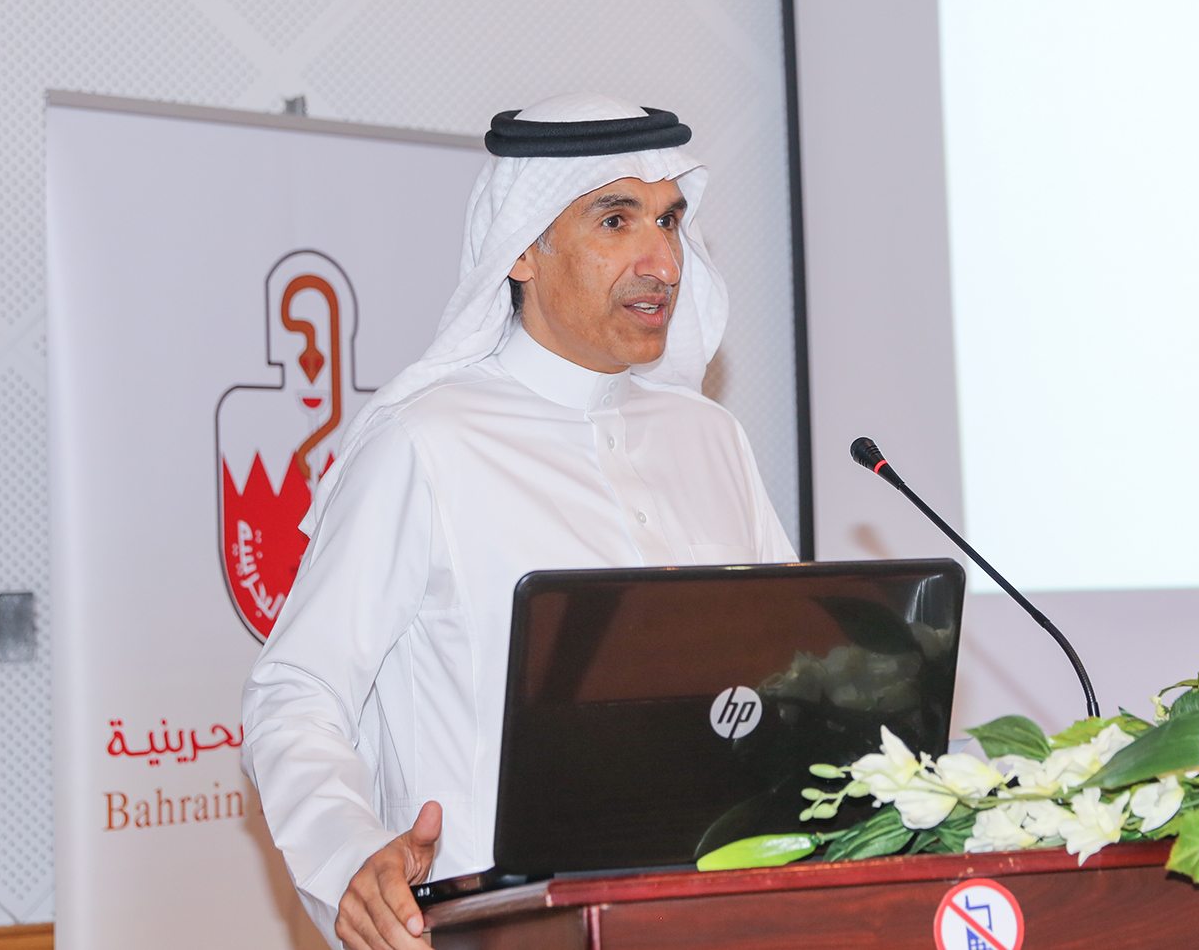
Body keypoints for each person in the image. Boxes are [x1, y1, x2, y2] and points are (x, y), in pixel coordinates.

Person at [241, 93, 797, 950]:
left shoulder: (708, 438)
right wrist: (349, 854)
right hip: (497, 930)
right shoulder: (425, 441)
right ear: (522, 250)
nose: (661, 260)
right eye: (616, 220)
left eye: (669, 221)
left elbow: (793, 680)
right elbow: (296, 692)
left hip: (715, 920)